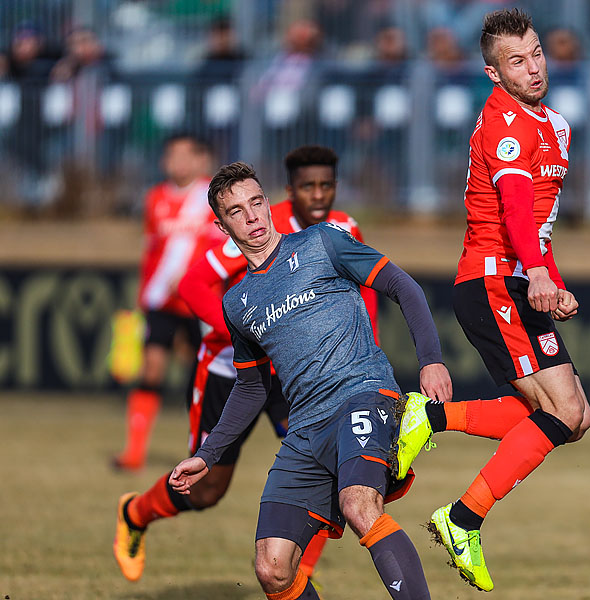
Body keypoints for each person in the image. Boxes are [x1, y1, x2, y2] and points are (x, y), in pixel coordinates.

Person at [169, 162, 451, 599]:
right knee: (271, 567)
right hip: (305, 428)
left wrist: (431, 360)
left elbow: (403, 286)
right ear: (221, 225)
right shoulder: (237, 302)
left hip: (364, 395)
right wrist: (208, 454)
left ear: (268, 203)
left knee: (358, 504)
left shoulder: (323, 242)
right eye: (237, 211)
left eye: (257, 203)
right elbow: (251, 386)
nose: (252, 217)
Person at [394, 8, 590, 592]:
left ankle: (429, 419)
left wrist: (550, 277)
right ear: (491, 72)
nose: (532, 68)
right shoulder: (506, 123)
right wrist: (535, 273)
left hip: (517, 279)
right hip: (492, 281)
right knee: (564, 412)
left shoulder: (555, 124)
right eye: (516, 61)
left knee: (569, 416)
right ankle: (462, 518)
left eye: (535, 54)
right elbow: (510, 209)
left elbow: (540, 222)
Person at [113, 146, 376, 583]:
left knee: (331, 469)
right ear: (288, 193)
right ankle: (135, 512)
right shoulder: (259, 227)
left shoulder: (342, 228)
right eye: (307, 187)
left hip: (296, 379)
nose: (318, 196)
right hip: (230, 373)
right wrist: (246, 333)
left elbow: (363, 297)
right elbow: (194, 283)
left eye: (326, 186)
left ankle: (300, 578)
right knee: (208, 488)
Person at [112, 133, 224, 471]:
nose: (178, 162)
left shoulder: (213, 198)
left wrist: (196, 277)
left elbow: (225, 251)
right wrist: (143, 298)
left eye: (185, 155)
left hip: (201, 301)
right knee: (152, 368)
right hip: (162, 299)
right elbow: (151, 252)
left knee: (202, 378)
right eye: (172, 155)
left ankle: (203, 453)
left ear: (201, 159)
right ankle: (134, 452)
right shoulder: (155, 198)